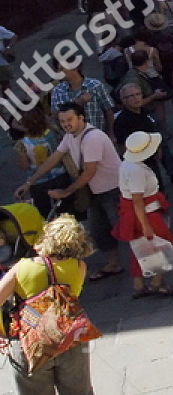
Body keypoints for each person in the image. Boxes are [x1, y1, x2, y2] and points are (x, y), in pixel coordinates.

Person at [0, 215, 104, 395]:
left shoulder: (22, 268)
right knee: (78, 391)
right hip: (70, 339)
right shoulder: (79, 267)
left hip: (29, 344)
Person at [17, 103, 122, 280]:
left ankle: (147, 265)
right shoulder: (69, 137)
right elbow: (53, 159)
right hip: (94, 192)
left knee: (127, 228)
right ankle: (114, 264)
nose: (66, 124)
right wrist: (29, 182)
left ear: (81, 118)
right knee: (99, 231)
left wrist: (66, 192)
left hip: (113, 190)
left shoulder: (92, 138)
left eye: (70, 120)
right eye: (62, 121)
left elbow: (89, 172)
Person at [114, 131, 173, 299]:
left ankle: (138, 285)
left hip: (135, 213)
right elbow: (138, 200)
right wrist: (146, 226)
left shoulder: (127, 164)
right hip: (146, 214)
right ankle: (157, 282)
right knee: (166, 244)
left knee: (139, 249)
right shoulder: (137, 170)